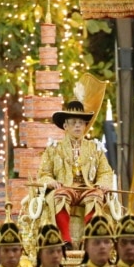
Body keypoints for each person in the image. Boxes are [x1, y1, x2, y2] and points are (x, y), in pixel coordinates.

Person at [37, 100, 114, 245]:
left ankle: (89, 240)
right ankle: (66, 240)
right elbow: (43, 174)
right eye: (73, 122)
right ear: (65, 126)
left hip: (88, 189)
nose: (77, 125)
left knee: (96, 197)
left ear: (85, 125)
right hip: (64, 188)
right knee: (60, 196)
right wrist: (51, 182)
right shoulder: (54, 148)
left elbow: (105, 172)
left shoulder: (95, 148)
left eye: (81, 122)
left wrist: (102, 184)